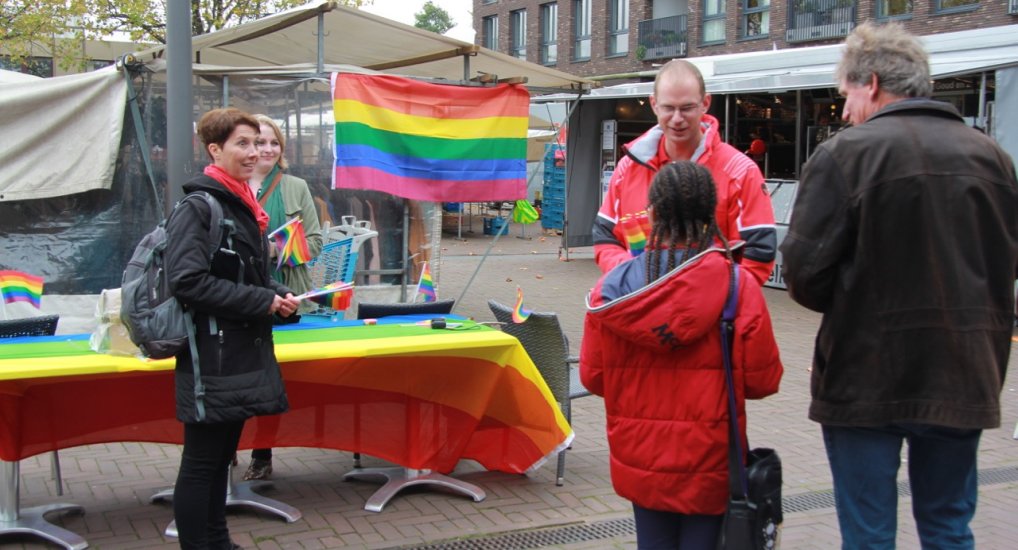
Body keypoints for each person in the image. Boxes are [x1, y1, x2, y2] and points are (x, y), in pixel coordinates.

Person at [780, 22, 1018, 549]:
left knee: (868, 536)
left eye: (844, 95)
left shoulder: (847, 155)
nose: (842, 111)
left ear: (870, 82)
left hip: (866, 374)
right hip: (963, 371)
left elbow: (803, 272)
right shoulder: (993, 160)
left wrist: (852, 303)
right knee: (949, 527)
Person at [581, 161, 783, 549]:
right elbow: (763, 381)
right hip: (710, 461)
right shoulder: (737, 287)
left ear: (652, 213)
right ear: (712, 215)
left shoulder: (610, 292)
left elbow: (594, 378)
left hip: (640, 458)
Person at [164, 107, 300, 549]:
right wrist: (262, 300)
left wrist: (277, 296)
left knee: (222, 458)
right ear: (215, 149)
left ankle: (219, 542)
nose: (254, 151)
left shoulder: (241, 203)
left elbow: (246, 276)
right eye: (243, 143)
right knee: (202, 463)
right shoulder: (200, 206)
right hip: (211, 355)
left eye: (258, 143)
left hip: (240, 350)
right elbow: (186, 281)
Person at [592, 59, 777, 285]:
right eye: (669, 107)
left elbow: (759, 252)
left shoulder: (741, 172)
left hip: (709, 316)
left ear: (705, 103)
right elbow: (605, 235)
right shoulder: (628, 168)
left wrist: (714, 300)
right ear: (654, 104)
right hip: (642, 310)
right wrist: (633, 279)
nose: (677, 118)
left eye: (687, 107)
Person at [242, 114, 324, 482]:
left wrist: (278, 251)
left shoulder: (295, 187)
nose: (268, 149)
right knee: (239, 378)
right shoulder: (230, 187)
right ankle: (228, 447)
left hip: (288, 298)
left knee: (274, 379)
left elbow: (318, 242)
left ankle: (262, 454)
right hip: (241, 299)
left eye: (274, 143)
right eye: (259, 142)